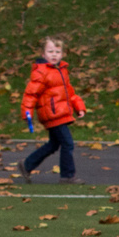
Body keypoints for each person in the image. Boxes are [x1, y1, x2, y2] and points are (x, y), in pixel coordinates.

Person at [19, 36, 86, 185]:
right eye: (50, 51)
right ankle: (67, 176)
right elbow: (31, 93)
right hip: (52, 114)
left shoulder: (61, 70)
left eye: (57, 51)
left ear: (62, 54)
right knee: (67, 143)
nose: (54, 55)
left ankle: (27, 165)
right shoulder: (41, 72)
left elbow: (69, 92)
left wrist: (79, 106)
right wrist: (27, 112)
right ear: (43, 54)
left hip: (60, 113)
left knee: (54, 144)